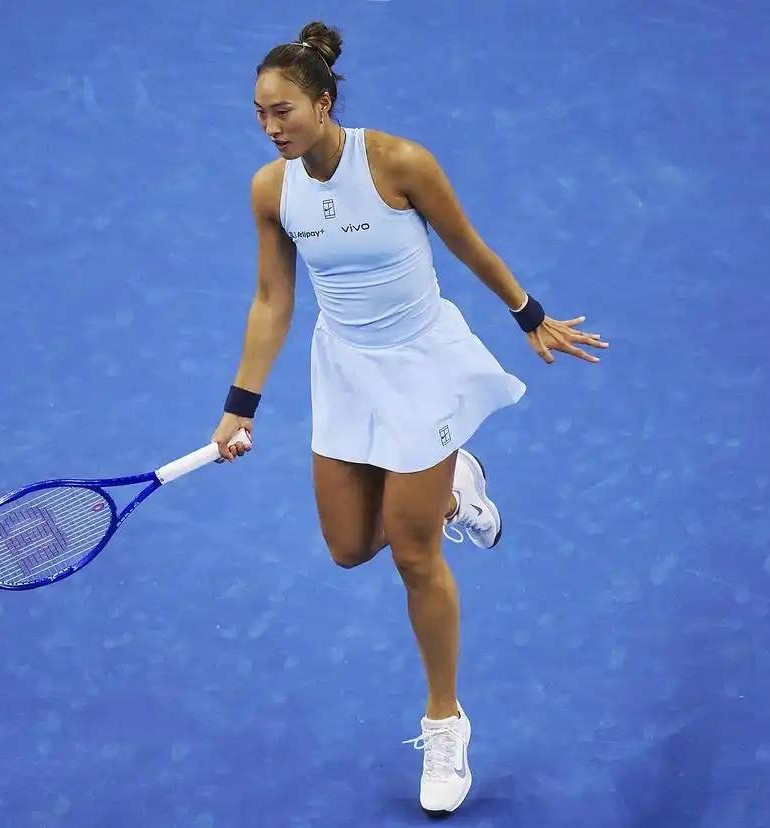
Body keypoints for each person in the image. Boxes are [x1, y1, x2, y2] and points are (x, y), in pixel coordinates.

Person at [210, 20, 609, 815]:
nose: (271, 127)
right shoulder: (271, 190)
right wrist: (238, 407)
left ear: (324, 104)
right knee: (349, 546)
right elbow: (272, 301)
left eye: (284, 111)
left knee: (413, 553)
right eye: (260, 114)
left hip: (422, 367)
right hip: (344, 371)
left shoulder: (398, 163)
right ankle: (455, 487)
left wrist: (529, 314)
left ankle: (445, 722)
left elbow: (467, 244)